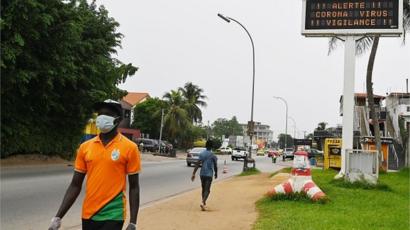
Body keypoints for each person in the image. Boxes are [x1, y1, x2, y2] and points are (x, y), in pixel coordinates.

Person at [48, 99, 141, 230]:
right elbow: (75, 185)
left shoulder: (130, 148)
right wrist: (58, 217)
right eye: (100, 114)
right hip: (89, 213)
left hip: (114, 213)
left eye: (107, 114)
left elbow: (134, 187)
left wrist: (133, 222)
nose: (102, 117)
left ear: (118, 119)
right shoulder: (85, 147)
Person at [191, 140, 218, 211]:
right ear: (212, 146)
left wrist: (194, 173)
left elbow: (197, 164)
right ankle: (203, 202)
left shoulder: (202, 154)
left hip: (202, 173)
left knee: (203, 189)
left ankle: (203, 202)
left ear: (206, 146)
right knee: (208, 190)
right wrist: (216, 173)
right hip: (209, 174)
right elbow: (215, 165)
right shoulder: (213, 155)